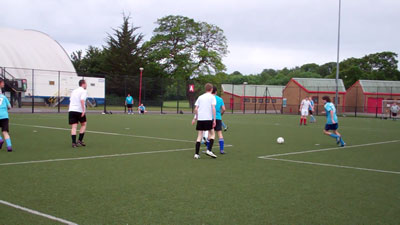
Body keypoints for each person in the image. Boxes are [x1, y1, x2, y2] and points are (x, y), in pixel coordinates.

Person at [192, 83, 217, 159]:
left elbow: (196, 109)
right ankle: (209, 150)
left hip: (200, 119)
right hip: (208, 119)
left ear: (205, 89)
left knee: (199, 136)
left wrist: (196, 117)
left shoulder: (200, 97)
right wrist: (214, 120)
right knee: (212, 134)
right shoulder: (212, 97)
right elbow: (213, 108)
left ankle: (196, 154)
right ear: (211, 89)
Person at [69, 79, 88, 148]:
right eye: (86, 83)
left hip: (71, 110)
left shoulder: (74, 91)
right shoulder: (84, 91)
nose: (86, 85)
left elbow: (71, 100)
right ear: (83, 84)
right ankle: (79, 140)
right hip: (79, 110)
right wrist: (83, 110)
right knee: (83, 124)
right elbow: (82, 100)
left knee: (74, 127)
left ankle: (74, 143)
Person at [211, 86, 226, 154]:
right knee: (219, 133)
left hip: (210, 118)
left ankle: (209, 149)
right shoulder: (220, 99)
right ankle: (221, 150)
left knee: (210, 134)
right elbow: (224, 109)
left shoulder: (209, 98)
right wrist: (221, 114)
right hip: (218, 118)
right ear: (216, 92)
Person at [0, 79, 13, 152]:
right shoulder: (4, 97)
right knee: (5, 132)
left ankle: (0, 140)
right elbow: (9, 106)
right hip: (4, 116)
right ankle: (9, 147)